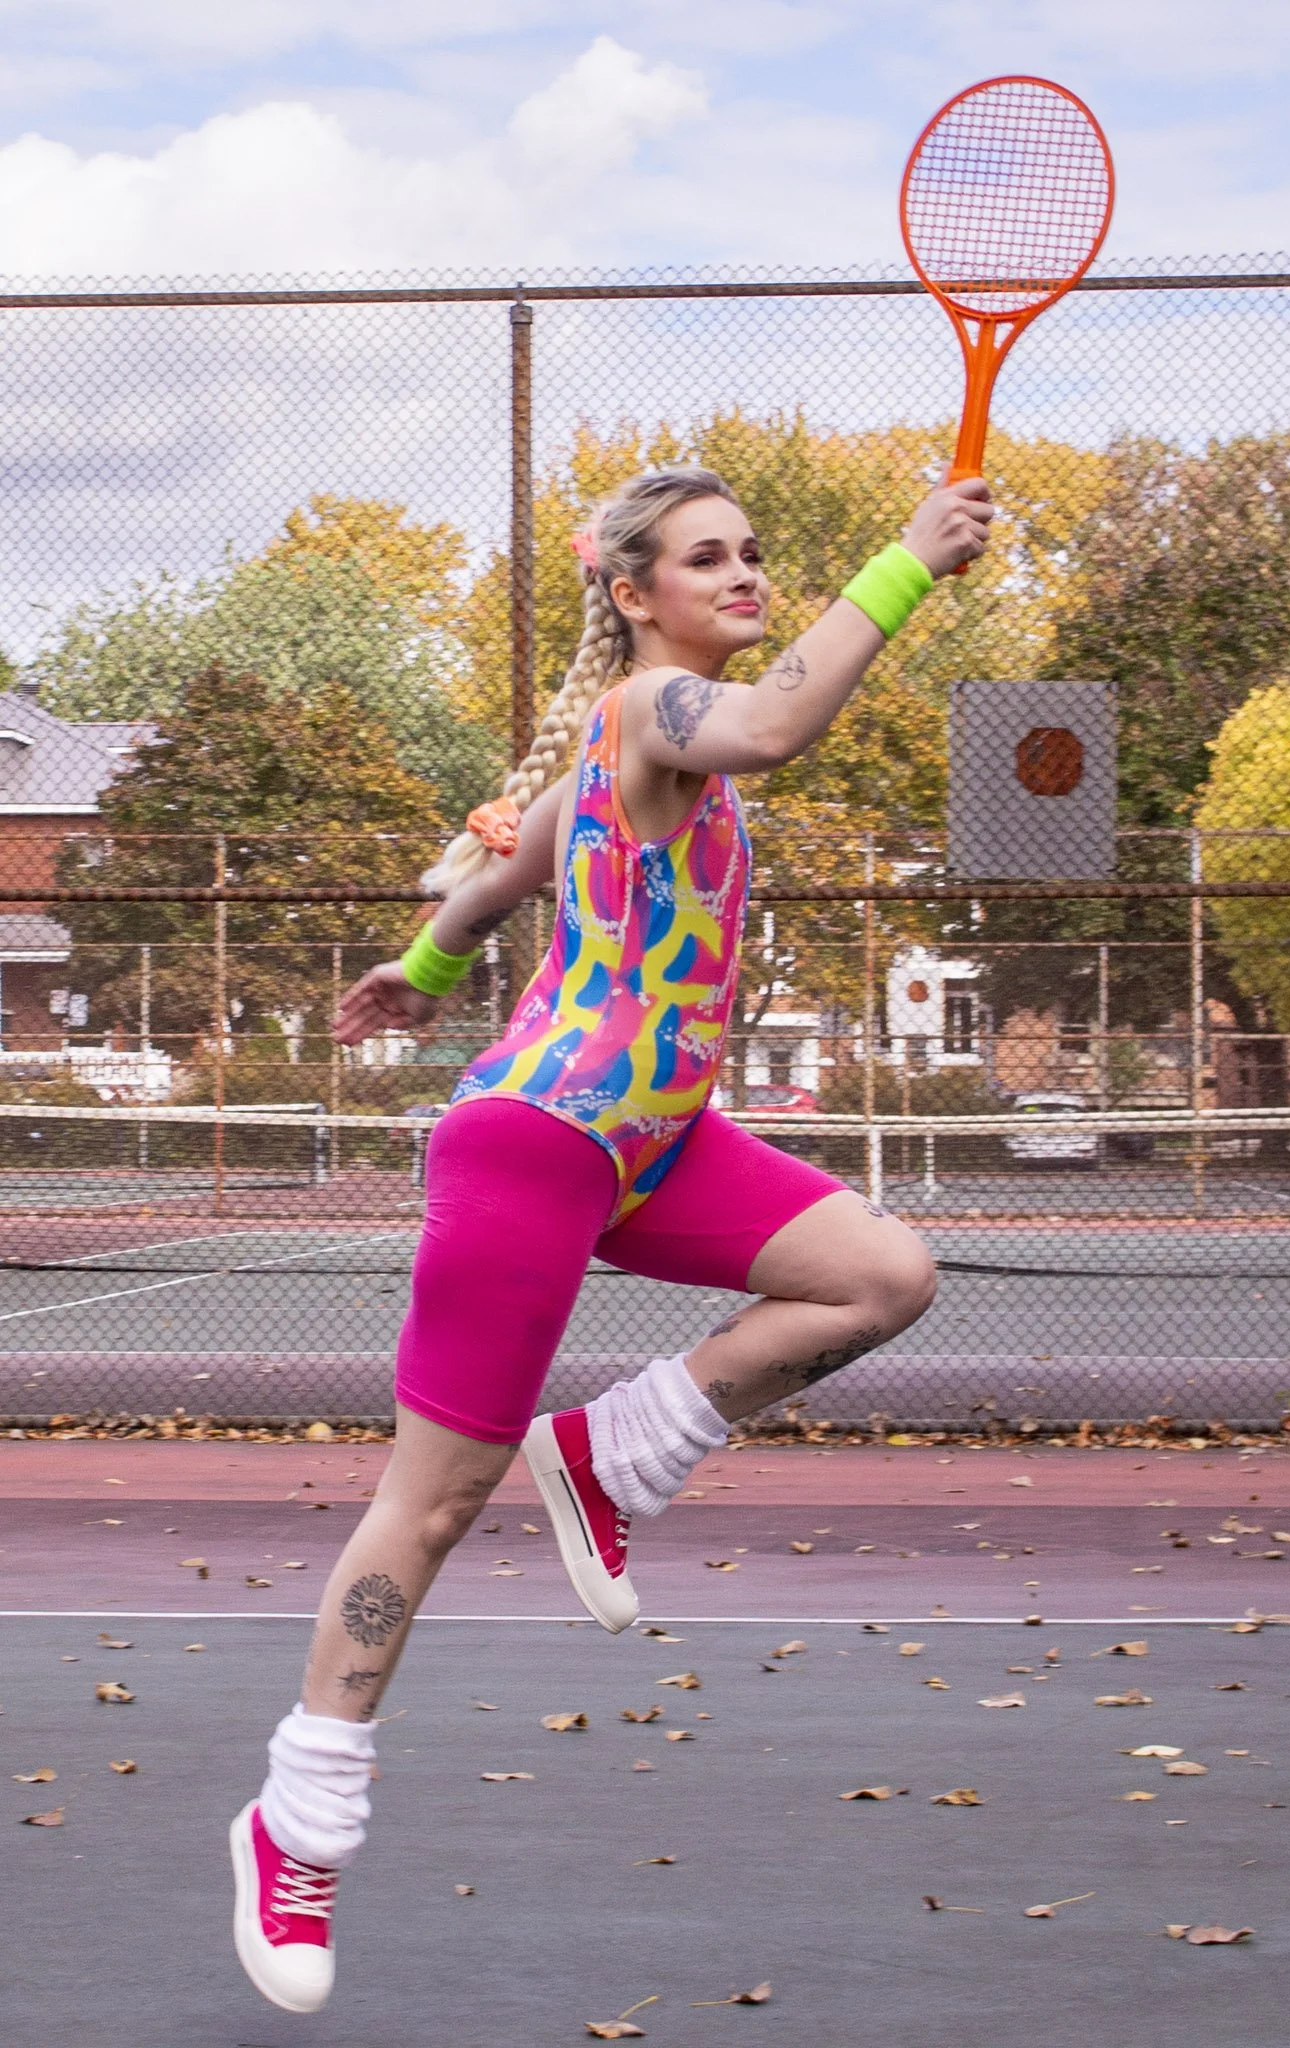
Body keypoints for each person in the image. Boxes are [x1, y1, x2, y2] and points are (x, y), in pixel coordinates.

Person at [230, 463, 993, 2013]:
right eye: (706, 558)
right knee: (429, 1511)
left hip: (663, 1143)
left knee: (883, 1274)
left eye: (754, 554)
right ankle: (294, 1827)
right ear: (636, 593)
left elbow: (519, 861)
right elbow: (777, 722)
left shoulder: (627, 747)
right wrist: (906, 564)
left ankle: (614, 1450)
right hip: (540, 1142)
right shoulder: (663, 708)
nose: (744, 573)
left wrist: (426, 958)